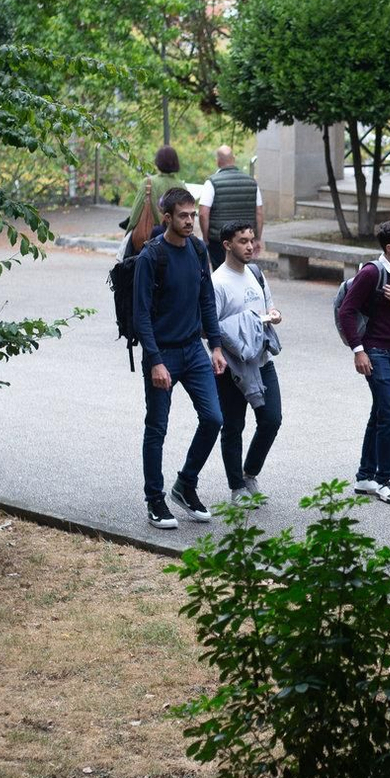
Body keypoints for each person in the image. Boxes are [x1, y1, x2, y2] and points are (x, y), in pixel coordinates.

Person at [132, 187, 226, 529]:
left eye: (192, 215)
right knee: (157, 427)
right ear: (167, 217)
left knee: (213, 418)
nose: (190, 221)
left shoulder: (198, 250)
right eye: (183, 216)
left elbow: (207, 300)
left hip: (194, 350)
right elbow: (141, 315)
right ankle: (154, 499)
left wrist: (216, 346)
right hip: (163, 354)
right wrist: (155, 360)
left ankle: (185, 483)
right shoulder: (151, 257)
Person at [338, 220, 390, 506]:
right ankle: (385, 479)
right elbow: (347, 311)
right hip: (374, 352)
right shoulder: (371, 273)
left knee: (380, 414)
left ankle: (365, 477)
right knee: (389, 414)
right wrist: (358, 350)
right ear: (389, 248)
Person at [212, 221, 283, 508]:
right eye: (243, 241)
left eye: (252, 240)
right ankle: (236, 487)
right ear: (227, 245)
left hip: (262, 360)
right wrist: (239, 331)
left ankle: (249, 473)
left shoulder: (255, 273)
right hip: (232, 367)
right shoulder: (218, 282)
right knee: (233, 426)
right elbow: (209, 328)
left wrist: (273, 314)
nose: (250, 246)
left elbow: (268, 306)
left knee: (271, 420)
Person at [197, 146, 263, 269]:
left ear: (218, 161)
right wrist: (257, 238)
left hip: (219, 240)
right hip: (245, 238)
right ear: (233, 159)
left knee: (221, 272)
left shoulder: (212, 182)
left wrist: (206, 238)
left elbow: (203, 213)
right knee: (243, 271)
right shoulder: (252, 182)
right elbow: (259, 212)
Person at [122, 145, 182, 254]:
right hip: (175, 240)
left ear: (157, 162)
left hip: (149, 238)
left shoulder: (148, 183)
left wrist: (127, 234)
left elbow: (135, 214)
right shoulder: (181, 186)